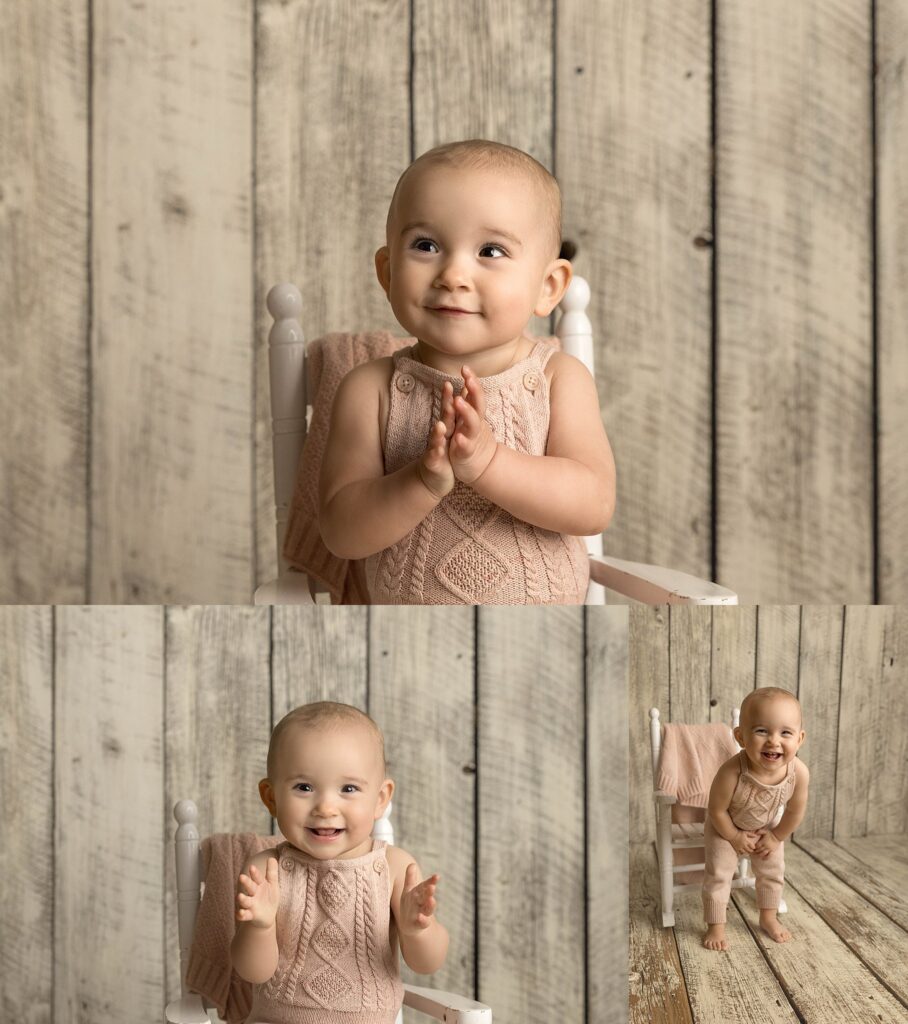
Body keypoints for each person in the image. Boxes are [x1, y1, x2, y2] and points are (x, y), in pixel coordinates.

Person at [318, 139, 615, 604]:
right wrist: (421, 481)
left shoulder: (559, 379)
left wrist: (489, 463)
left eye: (491, 251)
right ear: (387, 271)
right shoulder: (369, 389)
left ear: (548, 286)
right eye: (426, 245)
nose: (453, 274)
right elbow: (341, 533)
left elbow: (592, 505)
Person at [231, 702, 447, 1022]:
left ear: (380, 799)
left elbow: (427, 964)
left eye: (348, 788)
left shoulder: (395, 867)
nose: (326, 807)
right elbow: (254, 972)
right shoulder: (265, 872)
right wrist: (259, 927)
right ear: (271, 798)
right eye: (304, 787)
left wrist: (417, 930)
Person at [702, 687, 810, 951]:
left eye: (785, 733)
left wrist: (775, 837)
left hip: (766, 827)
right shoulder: (731, 773)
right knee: (719, 874)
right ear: (740, 736)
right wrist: (734, 836)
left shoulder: (799, 772)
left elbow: (795, 811)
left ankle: (768, 917)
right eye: (762, 731)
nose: (774, 741)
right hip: (725, 827)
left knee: (772, 871)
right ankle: (715, 925)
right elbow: (716, 810)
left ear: (800, 739)